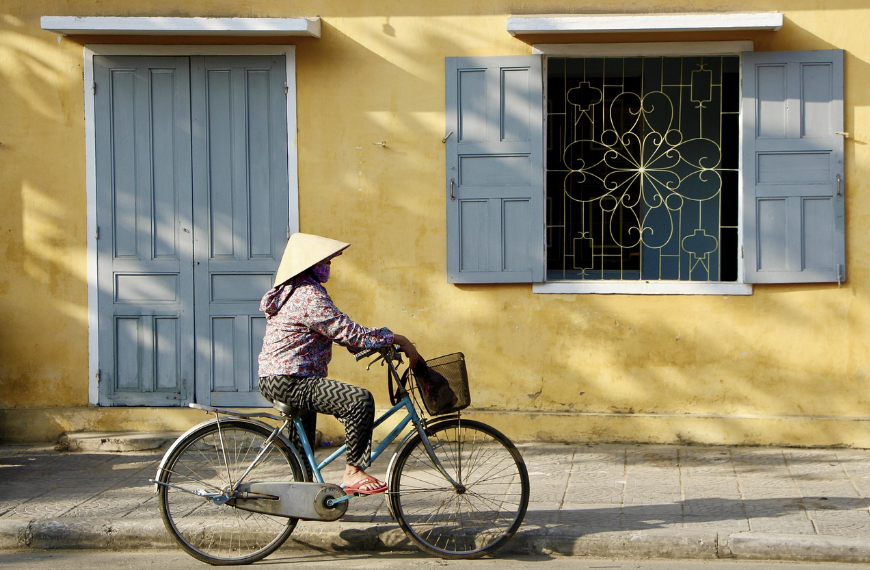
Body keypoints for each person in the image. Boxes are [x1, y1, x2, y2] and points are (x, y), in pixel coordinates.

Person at [257, 232, 419, 495]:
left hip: (282, 378)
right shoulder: (308, 295)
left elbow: (337, 332)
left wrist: (369, 344)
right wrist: (397, 338)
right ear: (310, 265)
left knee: (303, 453)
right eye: (325, 261)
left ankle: (302, 497)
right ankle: (353, 471)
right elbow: (348, 332)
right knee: (359, 401)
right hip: (291, 380)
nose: (329, 265)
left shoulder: (293, 292)